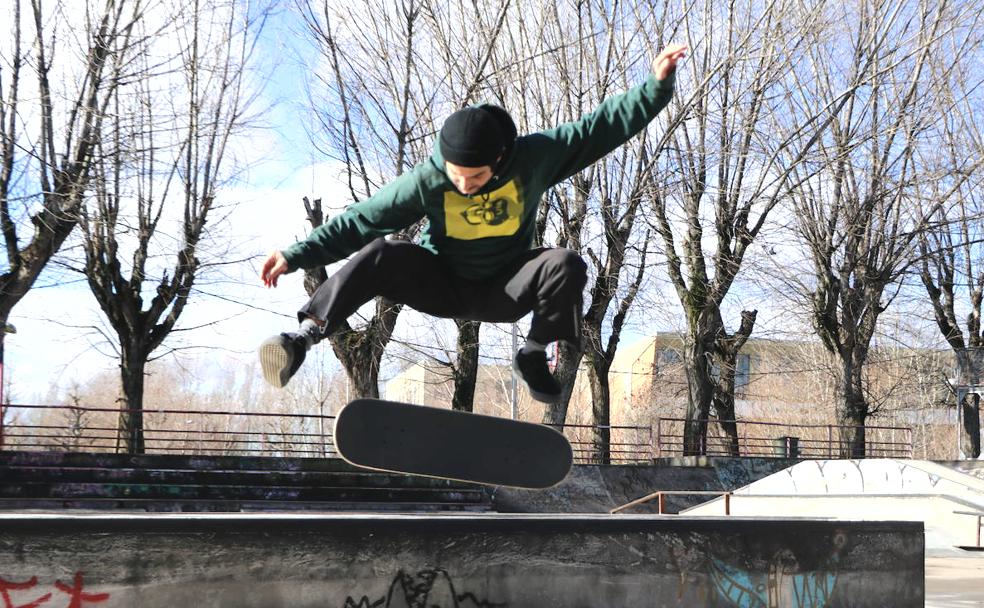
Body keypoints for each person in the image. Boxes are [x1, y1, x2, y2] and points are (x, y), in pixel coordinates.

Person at [259, 44, 687, 404]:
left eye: (476, 178)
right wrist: (297, 255)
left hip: (504, 288)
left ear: (499, 159)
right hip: (440, 283)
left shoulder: (534, 158)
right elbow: (362, 220)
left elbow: (599, 129)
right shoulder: (428, 180)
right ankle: (303, 337)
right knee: (384, 252)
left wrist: (656, 86)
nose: (464, 186)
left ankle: (535, 354)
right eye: (456, 177)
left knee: (566, 264)